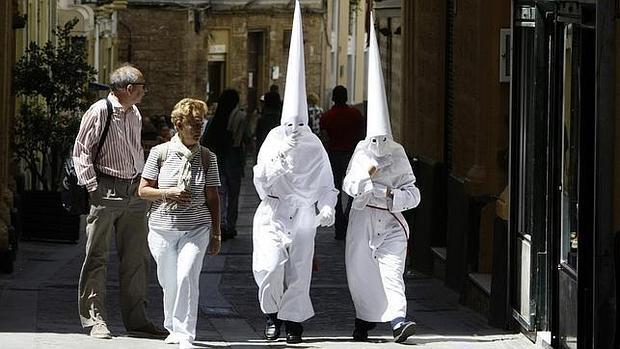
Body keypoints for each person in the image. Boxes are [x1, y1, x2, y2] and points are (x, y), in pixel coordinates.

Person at [252, 1, 337, 344]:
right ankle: (271, 314)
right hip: (273, 212)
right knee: (270, 266)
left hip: (302, 215)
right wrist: (270, 177)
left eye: (300, 123)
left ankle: (294, 323)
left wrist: (326, 207)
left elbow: (327, 184)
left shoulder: (315, 147)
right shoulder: (272, 140)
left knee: (299, 271)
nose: (295, 128)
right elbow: (259, 177)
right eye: (290, 123)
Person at [73, 63, 167, 339]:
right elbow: (81, 151)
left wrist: (143, 180)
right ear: (128, 89)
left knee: (137, 258)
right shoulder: (99, 111)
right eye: (141, 87)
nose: (144, 91)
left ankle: (137, 320)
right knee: (97, 257)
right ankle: (94, 319)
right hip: (106, 188)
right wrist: (93, 188)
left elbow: (135, 149)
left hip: (133, 190)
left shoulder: (135, 113)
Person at [342, 13, 420, 344]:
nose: (379, 146)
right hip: (362, 224)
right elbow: (351, 186)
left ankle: (399, 321)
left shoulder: (398, 153)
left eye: (382, 140)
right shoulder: (362, 152)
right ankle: (363, 321)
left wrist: (390, 197)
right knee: (361, 277)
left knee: (392, 274)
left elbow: (413, 194)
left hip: (390, 224)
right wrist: (370, 172)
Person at [138, 98, 221, 349]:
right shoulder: (159, 153)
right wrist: (168, 193)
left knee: (186, 276)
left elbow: (213, 197)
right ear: (178, 124)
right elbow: (143, 191)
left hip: (196, 228)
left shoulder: (207, 157)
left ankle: (184, 332)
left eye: (201, 124)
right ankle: (172, 327)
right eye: (193, 124)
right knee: (169, 280)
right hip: (162, 228)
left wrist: (216, 233)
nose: (198, 129)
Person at [201, 89, 248, 240]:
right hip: (233, 159)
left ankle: (219, 224)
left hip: (217, 161)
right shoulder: (238, 117)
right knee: (234, 194)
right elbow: (245, 139)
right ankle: (230, 225)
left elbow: (205, 141)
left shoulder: (215, 120)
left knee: (219, 193)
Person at [320, 85, 364, 240]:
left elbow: (324, 139)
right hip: (353, 156)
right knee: (355, 190)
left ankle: (339, 225)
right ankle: (349, 219)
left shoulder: (326, 117)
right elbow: (361, 136)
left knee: (336, 191)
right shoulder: (356, 115)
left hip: (334, 157)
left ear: (333, 98)